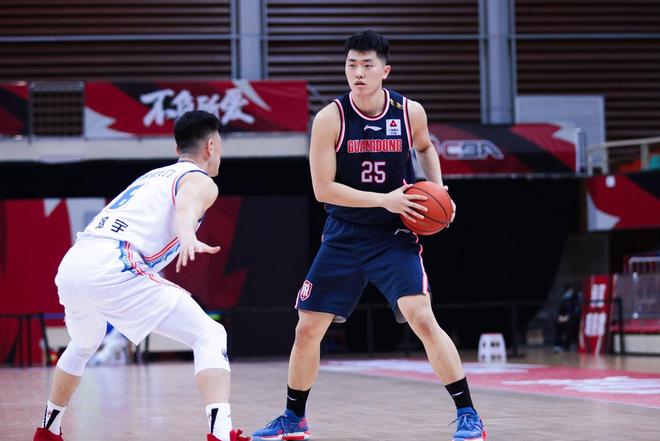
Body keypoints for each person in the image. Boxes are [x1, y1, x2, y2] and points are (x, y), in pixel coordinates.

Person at [252, 30, 485, 441]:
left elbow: (426, 147)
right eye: (351, 65)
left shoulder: (409, 112)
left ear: (385, 70)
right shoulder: (330, 118)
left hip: (393, 234)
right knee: (307, 329)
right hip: (344, 233)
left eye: (367, 65)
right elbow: (323, 189)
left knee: (422, 317)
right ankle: (293, 418)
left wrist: (438, 188)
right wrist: (384, 200)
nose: (357, 73)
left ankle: (469, 414)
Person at [34, 110, 249, 441]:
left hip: (75, 262)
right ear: (210, 146)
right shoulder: (201, 179)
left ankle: (48, 430)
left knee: (83, 344)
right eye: (219, 143)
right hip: (113, 264)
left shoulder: (153, 175)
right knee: (210, 334)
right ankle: (221, 434)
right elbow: (186, 205)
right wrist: (187, 233)